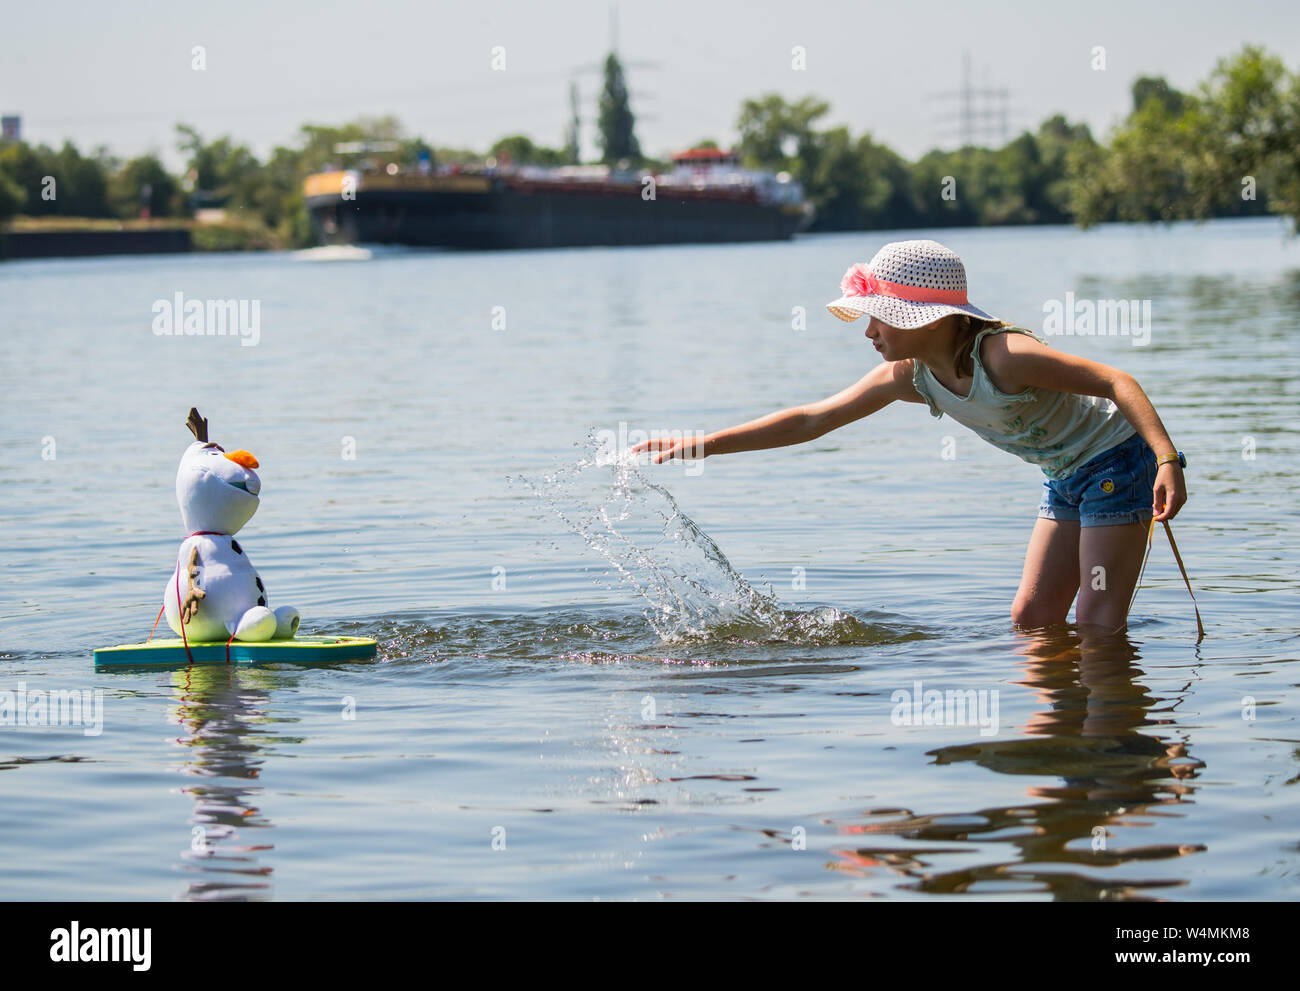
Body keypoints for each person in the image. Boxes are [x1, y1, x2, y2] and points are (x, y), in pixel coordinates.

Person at [631, 239, 1187, 633]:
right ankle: (1055, 744)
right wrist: (699, 444)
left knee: (1095, 621)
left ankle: (1114, 754)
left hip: (1118, 463)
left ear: (932, 318)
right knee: (1032, 620)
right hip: (1064, 478)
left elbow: (1117, 381)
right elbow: (811, 419)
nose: (869, 330)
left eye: (881, 316)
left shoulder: (1005, 357)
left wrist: (1165, 461)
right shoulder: (912, 376)